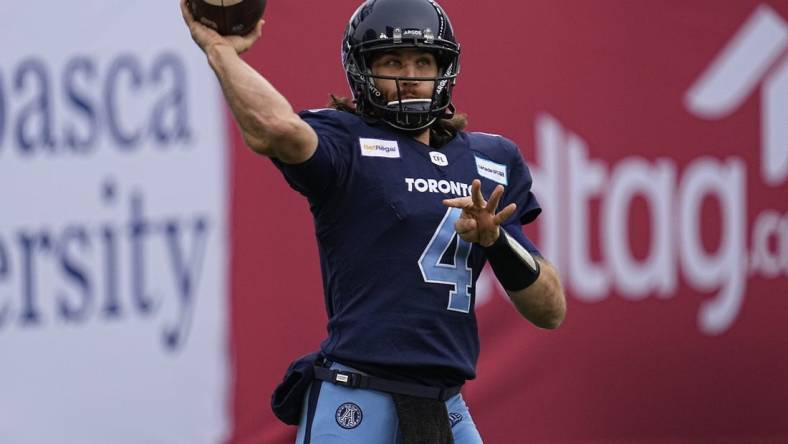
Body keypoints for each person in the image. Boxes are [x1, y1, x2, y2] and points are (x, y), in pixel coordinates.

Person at [181, 0, 566, 442]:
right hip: (359, 396)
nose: (411, 76)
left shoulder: (490, 160)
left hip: (447, 405)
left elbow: (551, 310)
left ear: (445, 69)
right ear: (363, 70)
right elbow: (271, 127)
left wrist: (496, 239)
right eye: (392, 61)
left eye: (424, 60)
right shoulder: (348, 142)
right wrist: (219, 50)